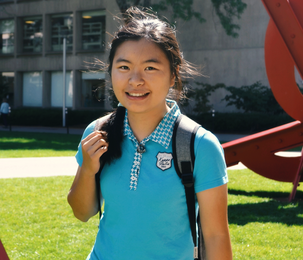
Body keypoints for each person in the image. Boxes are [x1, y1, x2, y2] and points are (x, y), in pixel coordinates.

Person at [67, 7, 232, 260]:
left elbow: (216, 237)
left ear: (173, 75)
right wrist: (88, 169)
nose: (135, 80)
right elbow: (82, 212)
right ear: (111, 71)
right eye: (123, 67)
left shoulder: (200, 146)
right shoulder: (98, 131)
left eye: (150, 68)